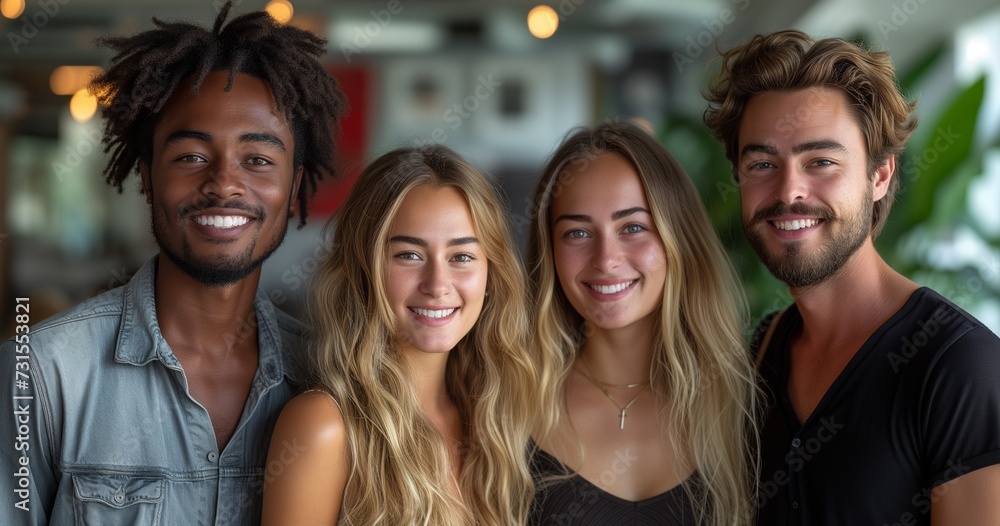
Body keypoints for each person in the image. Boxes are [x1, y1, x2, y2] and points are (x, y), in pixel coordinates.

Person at [0, 2, 347, 524]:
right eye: (191, 156)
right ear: (146, 177)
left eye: (257, 160)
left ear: (293, 186)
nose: (224, 183)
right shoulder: (42, 375)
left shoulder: (327, 378)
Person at [704, 29, 1000, 525]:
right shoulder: (763, 351)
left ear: (879, 174)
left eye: (820, 161)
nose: (789, 190)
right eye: (762, 163)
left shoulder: (958, 367)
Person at [260, 145, 538, 525]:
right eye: (408, 255)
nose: (438, 284)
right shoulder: (325, 426)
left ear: (492, 273)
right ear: (362, 268)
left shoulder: (493, 419)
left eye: (461, 257)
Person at [526, 121, 759, 525]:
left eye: (633, 227)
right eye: (578, 233)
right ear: (549, 251)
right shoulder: (505, 400)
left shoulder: (746, 399)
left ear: (678, 237)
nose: (606, 259)